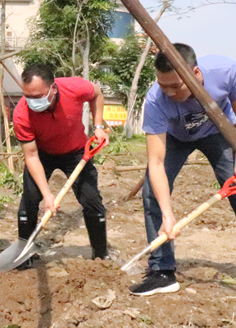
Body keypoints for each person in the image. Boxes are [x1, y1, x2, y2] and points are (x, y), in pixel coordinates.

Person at [130, 44, 236, 296]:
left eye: (175, 86)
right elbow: (155, 163)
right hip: (175, 138)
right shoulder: (156, 100)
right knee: (152, 193)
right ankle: (162, 271)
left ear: (196, 73)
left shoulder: (225, 71)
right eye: (162, 84)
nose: (168, 92)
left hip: (219, 131)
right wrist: (167, 214)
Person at [12, 63, 109, 268]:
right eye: (27, 96)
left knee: (92, 201)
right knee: (29, 201)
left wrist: (98, 126)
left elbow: (97, 94)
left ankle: (101, 256)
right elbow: (31, 156)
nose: (32, 102)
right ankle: (23, 256)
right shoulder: (21, 114)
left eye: (38, 96)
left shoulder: (74, 87)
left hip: (76, 153)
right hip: (42, 154)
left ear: (53, 89)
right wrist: (48, 195)